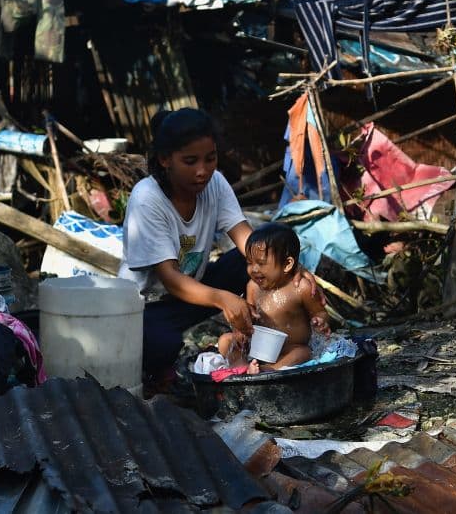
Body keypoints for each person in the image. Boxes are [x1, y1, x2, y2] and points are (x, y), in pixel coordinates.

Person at [118, 108, 316, 388]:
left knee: (254, 259)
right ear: (165, 160)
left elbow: (248, 241)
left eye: (210, 159)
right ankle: (157, 374)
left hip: (193, 291)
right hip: (147, 306)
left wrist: (294, 271)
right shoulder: (146, 198)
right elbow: (171, 279)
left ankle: (268, 332)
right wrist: (224, 299)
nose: (203, 171)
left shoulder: (216, 182)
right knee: (162, 345)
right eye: (190, 161)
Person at [218, 223, 330, 373]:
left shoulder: (301, 288)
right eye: (249, 263)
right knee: (225, 341)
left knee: (304, 353)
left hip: (290, 349)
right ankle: (241, 368)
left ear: (287, 264)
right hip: (259, 348)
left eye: (261, 263)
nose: (254, 269)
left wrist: (320, 321)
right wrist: (242, 328)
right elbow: (249, 316)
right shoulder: (252, 286)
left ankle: (268, 370)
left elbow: (320, 312)